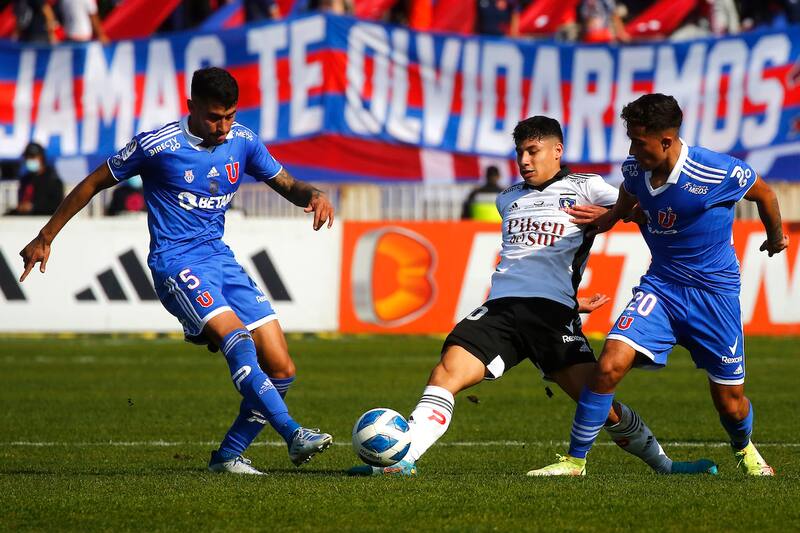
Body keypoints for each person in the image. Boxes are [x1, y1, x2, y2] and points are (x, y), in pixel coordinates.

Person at [349, 116, 716, 477]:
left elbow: (647, 210)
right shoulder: (507, 198)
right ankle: (402, 459)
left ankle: (664, 465)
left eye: (533, 151)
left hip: (551, 315)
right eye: (520, 153)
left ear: (557, 150)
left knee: (598, 403)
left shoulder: (587, 186)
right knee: (446, 373)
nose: (524, 161)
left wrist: (608, 214)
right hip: (501, 309)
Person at [19, 67, 336, 475]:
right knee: (236, 339)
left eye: (230, 116)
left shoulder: (242, 140)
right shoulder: (157, 145)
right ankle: (293, 434)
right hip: (176, 262)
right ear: (192, 107)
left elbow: (288, 185)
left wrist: (315, 194)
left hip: (220, 259)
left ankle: (227, 457)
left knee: (282, 367)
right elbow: (92, 183)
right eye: (214, 117)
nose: (223, 127)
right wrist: (46, 236)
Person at [531, 94, 788, 477]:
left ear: (666, 141)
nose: (632, 150)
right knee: (608, 366)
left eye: (639, 141)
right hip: (662, 289)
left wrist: (777, 237)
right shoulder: (636, 168)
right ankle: (575, 461)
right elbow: (629, 193)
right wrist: (611, 217)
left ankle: (743, 446)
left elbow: (764, 193)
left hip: (714, 297)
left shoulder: (715, 171)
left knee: (730, 404)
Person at [6, 142, 64, 216]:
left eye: (32, 157)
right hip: (23, 222)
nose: (29, 160)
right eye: (27, 157)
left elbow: (57, 206)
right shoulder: (25, 180)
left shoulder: (54, 180)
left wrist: (33, 207)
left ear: (42, 157)